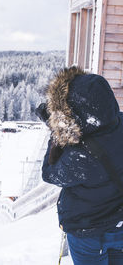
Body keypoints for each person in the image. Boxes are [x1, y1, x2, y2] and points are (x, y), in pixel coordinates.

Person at [39, 66, 123, 265]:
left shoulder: (79, 156)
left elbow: (49, 173)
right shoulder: (119, 123)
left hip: (88, 234)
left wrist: (56, 135)